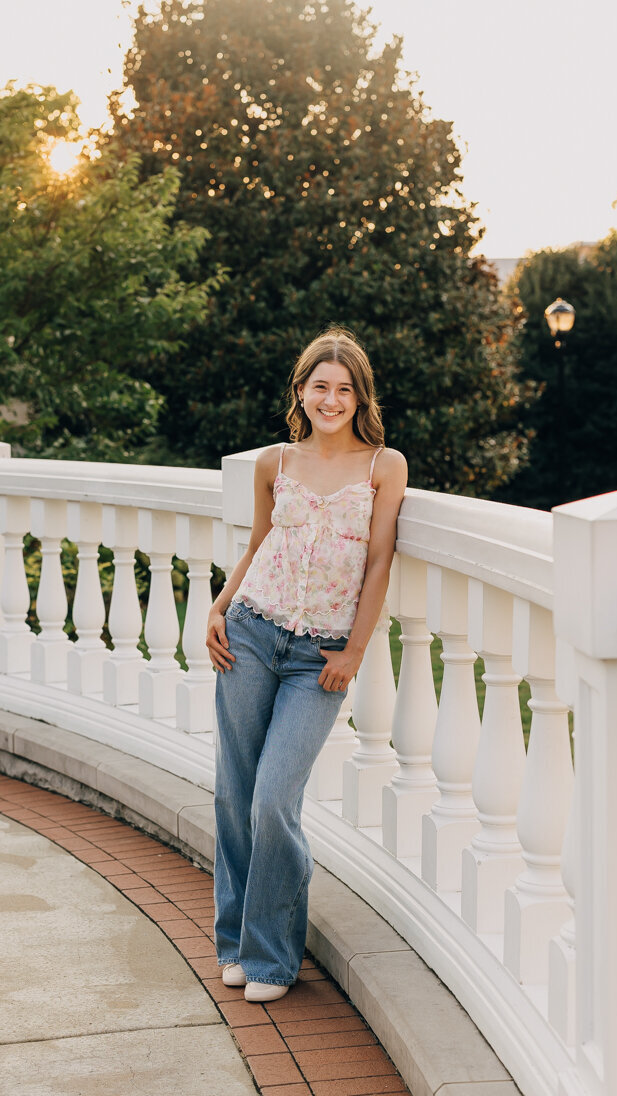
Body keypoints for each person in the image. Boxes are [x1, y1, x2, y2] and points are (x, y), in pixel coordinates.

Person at [206, 327, 407, 1003]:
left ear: (360, 398)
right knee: (234, 793)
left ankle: (270, 955)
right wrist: (220, 606)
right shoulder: (275, 463)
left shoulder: (384, 466)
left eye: (345, 389)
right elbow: (261, 541)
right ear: (301, 391)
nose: (332, 398)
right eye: (321, 386)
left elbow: (378, 561)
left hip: (318, 655)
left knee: (272, 799)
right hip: (251, 632)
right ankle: (233, 942)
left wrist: (354, 648)